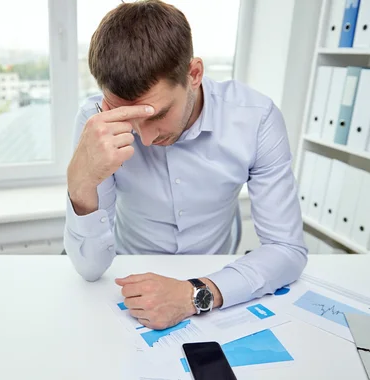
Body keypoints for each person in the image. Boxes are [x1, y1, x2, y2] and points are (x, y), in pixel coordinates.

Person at [64, 0, 307, 330]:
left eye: (159, 115)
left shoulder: (256, 118)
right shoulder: (95, 123)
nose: (144, 140)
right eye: (129, 120)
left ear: (194, 74)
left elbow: (287, 249)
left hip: (216, 273)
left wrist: (196, 293)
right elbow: (90, 268)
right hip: (126, 275)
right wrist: (79, 184)